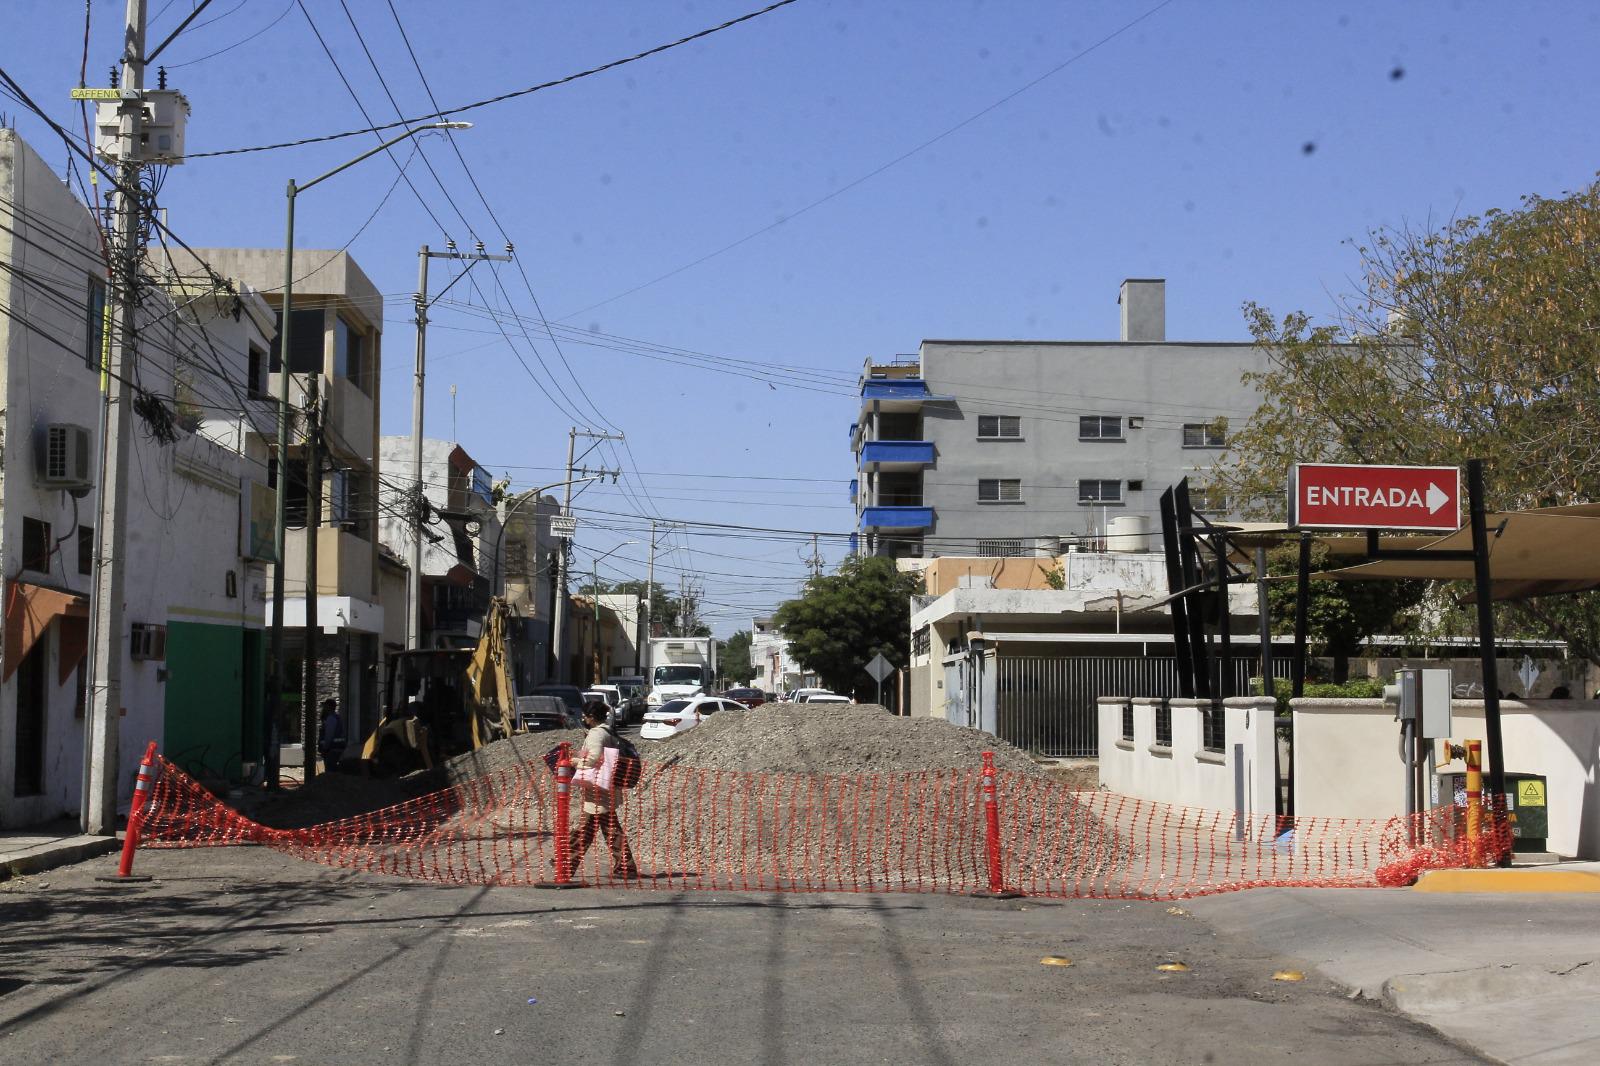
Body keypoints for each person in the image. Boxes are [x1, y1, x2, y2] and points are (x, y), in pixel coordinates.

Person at [568, 700, 638, 879]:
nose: (582, 718)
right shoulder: (607, 730)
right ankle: (625, 865)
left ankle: (567, 861)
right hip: (604, 787)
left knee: (595, 828)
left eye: (584, 715)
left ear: (591, 717)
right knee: (602, 828)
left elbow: (593, 759)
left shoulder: (596, 734)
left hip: (599, 789)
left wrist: (574, 762)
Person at [316, 698, 345, 774]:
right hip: (336, 749)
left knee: (330, 772)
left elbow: (329, 736)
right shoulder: (337, 717)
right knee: (333, 771)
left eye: (325, 706)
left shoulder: (331, 718)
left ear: (328, 707)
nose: (323, 708)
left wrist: (325, 748)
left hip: (331, 750)